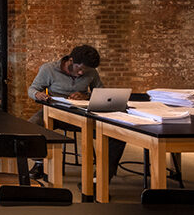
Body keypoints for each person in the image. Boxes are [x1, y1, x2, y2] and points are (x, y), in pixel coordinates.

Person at [26, 44, 124, 181]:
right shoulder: (49, 69)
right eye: (80, 69)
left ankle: (101, 177)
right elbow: (32, 89)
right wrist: (38, 94)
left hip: (83, 115)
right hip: (54, 113)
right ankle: (41, 162)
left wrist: (87, 96)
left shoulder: (92, 72)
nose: (81, 73)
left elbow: (101, 93)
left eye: (86, 70)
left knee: (116, 133)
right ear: (71, 60)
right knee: (29, 128)